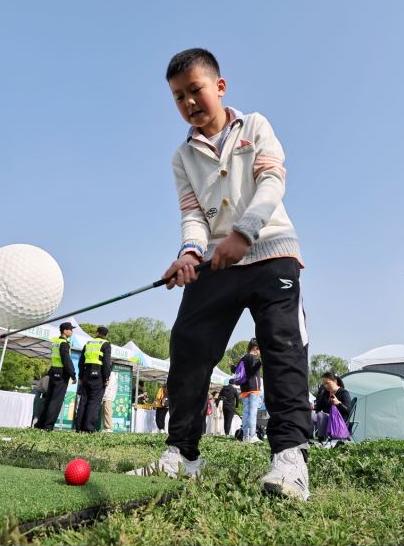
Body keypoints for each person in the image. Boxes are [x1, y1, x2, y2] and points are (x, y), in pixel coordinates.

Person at [157, 48, 312, 500]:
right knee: (187, 347)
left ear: (219, 87)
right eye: (178, 96)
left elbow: (272, 182)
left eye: (195, 90)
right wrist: (189, 253)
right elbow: (192, 216)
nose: (188, 102)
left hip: (271, 252)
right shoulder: (181, 157)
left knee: (283, 349)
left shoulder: (256, 125)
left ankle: (290, 458)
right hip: (215, 262)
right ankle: (182, 455)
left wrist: (244, 232)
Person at [37, 322, 77, 430]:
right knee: (56, 401)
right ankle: (48, 426)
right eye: (70, 329)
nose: (72, 331)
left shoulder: (55, 342)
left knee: (49, 399)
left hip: (53, 372)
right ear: (65, 331)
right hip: (61, 374)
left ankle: (40, 424)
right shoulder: (64, 343)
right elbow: (66, 360)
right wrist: (73, 374)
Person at [74, 326, 112, 432]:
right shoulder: (106, 344)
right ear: (106, 335)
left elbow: (81, 362)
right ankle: (88, 428)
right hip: (98, 375)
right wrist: (107, 377)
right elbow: (106, 363)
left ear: (97, 333)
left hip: (86, 374)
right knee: (94, 402)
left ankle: (79, 427)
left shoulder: (88, 343)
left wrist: (81, 376)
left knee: (83, 401)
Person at [232, 338, 264, 443]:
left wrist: (231, 366)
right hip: (253, 389)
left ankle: (246, 436)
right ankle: (252, 435)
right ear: (255, 348)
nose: (259, 352)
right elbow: (253, 369)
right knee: (253, 413)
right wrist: (260, 362)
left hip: (244, 389)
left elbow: (237, 371)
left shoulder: (243, 358)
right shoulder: (252, 357)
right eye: (259, 350)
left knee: (246, 413)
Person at [312, 372, 352, 443]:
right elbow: (319, 408)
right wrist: (312, 406)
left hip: (338, 421)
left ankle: (321, 440)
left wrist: (338, 403)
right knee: (309, 415)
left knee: (321, 415)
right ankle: (307, 438)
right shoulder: (326, 393)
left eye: (327, 383)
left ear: (335, 381)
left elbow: (348, 410)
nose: (325, 386)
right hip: (328, 418)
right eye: (324, 384)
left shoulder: (344, 393)